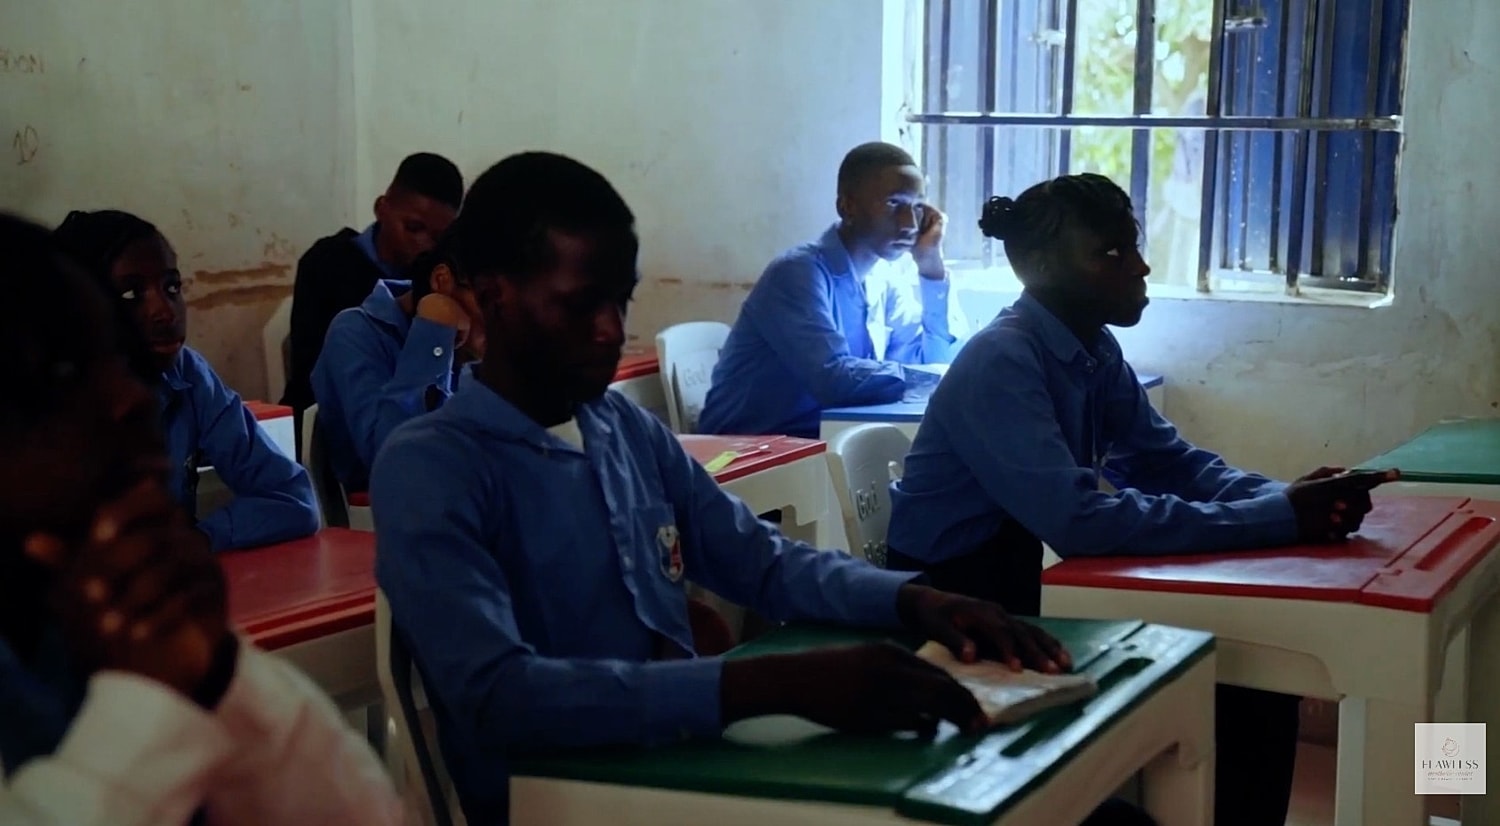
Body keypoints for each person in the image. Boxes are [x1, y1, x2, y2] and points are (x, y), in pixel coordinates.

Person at [369, 152, 1162, 826]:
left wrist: (918, 601)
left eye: (622, 301)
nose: (612, 329)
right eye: (581, 304)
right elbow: (499, 694)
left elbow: (766, 564)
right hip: (564, 800)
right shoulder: (432, 463)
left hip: (681, 769)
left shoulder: (626, 432)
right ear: (495, 296)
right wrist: (763, 683)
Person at [884, 173, 1400, 826]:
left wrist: (1286, 500)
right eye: (1110, 253)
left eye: (1132, 247)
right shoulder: (1001, 362)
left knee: (1256, 689)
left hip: (1018, 599)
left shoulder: (1094, 351)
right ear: (1036, 265)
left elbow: (1169, 462)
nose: (1140, 266)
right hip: (955, 617)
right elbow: (1081, 523)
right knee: (1240, 691)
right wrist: (1277, 516)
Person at [0, 212, 401, 825]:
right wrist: (152, 698)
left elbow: (369, 815)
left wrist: (211, 671)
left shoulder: (152, 629)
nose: (133, 397)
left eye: (116, 357)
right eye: (65, 375)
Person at [54, 210, 319, 552]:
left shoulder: (188, 377)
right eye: (132, 295)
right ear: (80, 307)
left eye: (172, 287)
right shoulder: (41, 406)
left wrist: (189, 543)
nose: (165, 311)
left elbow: (292, 499)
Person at [698, 141, 967, 438]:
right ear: (847, 207)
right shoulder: (797, 273)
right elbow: (832, 379)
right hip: (750, 448)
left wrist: (930, 266)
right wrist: (933, 378)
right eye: (894, 204)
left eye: (918, 207)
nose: (910, 224)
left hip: (823, 438)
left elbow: (935, 358)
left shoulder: (883, 277)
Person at [282, 152, 464, 417]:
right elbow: (312, 364)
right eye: (413, 227)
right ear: (382, 208)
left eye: (438, 237)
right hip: (326, 414)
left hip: (410, 411)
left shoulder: (438, 277)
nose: (424, 244)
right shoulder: (328, 263)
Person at [310, 237, 486, 495]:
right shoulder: (354, 332)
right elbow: (394, 461)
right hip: (386, 515)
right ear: (442, 280)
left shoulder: (481, 344)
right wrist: (434, 334)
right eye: (489, 300)